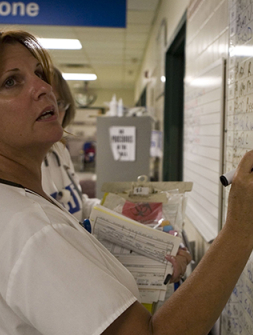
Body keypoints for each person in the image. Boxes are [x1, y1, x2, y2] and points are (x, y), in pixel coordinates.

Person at [0, 29, 253, 335]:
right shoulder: (30, 231)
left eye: (37, 73)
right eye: (11, 82)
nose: (44, 87)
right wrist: (240, 229)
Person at [40, 68, 191, 282]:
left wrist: (126, 210)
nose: (55, 112)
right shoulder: (20, 169)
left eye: (60, 104)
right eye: (47, 104)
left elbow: (77, 206)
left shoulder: (58, 150)